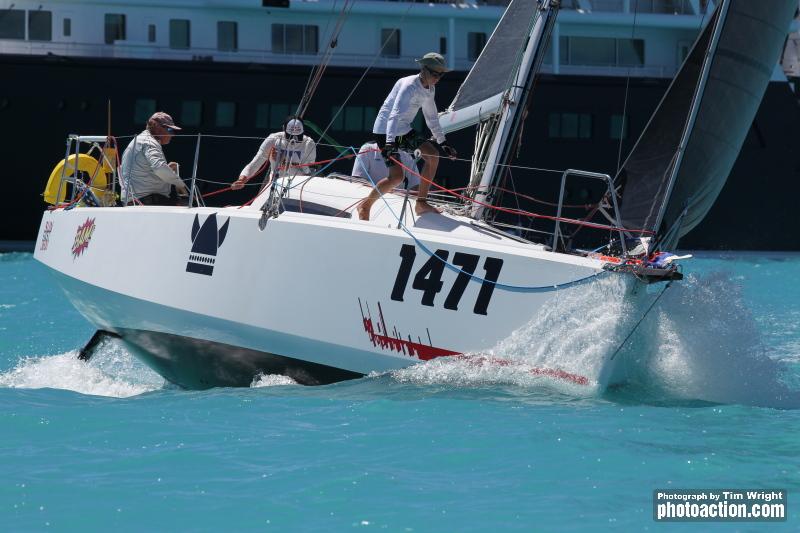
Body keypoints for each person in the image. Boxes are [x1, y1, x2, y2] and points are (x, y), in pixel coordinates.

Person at [357, 52, 457, 221]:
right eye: (434, 73)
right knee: (396, 177)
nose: (437, 78)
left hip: (402, 130)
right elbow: (394, 115)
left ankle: (421, 202)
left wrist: (443, 142)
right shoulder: (409, 85)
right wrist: (389, 143)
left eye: (441, 75)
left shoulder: (430, 89)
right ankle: (365, 206)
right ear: (424, 70)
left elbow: (431, 117)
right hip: (385, 131)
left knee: (433, 155)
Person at [120, 111, 188, 205]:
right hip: (147, 201)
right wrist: (180, 184)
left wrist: (167, 169)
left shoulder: (140, 140)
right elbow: (159, 169)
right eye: (169, 130)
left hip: (135, 201)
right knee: (184, 205)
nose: (172, 134)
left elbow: (148, 169)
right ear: (157, 127)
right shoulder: (149, 142)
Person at [232, 116, 316, 190]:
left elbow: (308, 171)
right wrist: (242, 179)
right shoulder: (274, 139)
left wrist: (284, 162)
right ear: (284, 129)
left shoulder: (309, 144)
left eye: (297, 136)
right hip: (273, 185)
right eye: (290, 136)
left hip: (297, 187)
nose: (294, 139)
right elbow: (257, 161)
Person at [352, 141, 419, 190]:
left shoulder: (406, 155)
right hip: (368, 197)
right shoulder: (367, 149)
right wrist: (384, 191)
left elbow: (415, 186)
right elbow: (357, 180)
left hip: (395, 203)